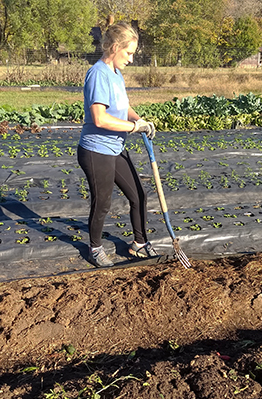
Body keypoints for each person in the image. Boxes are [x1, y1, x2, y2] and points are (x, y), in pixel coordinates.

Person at [78, 22, 158, 268]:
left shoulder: (116, 73)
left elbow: (123, 106)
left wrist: (137, 118)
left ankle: (139, 244)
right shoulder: (98, 74)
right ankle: (94, 248)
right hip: (95, 150)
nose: (131, 59)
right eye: (129, 53)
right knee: (102, 203)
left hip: (115, 148)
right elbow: (100, 118)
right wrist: (134, 128)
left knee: (139, 195)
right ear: (114, 47)